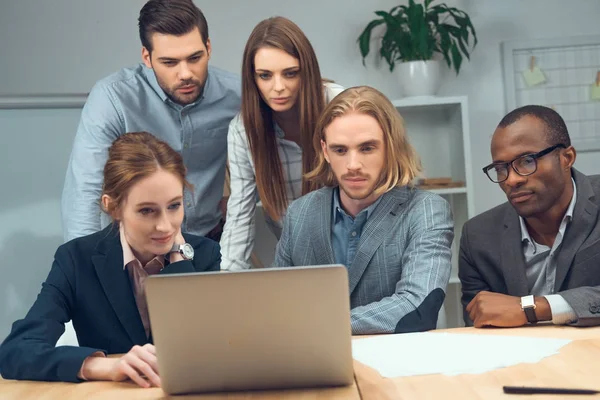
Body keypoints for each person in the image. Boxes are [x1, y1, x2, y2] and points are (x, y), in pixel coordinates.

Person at [0, 132, 220, 386]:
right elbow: (16, 351)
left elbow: (209, 348)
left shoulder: (205, 255)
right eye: (147, 210)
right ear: (113, 207)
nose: (164, 226)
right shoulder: (76, 259)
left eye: (174, 206)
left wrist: (180, 259)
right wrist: (100, 365)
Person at [273, 86, 454, 335]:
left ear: (391, 147)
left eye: (367, 148)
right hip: (314, 364)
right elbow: (277, 304)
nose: (353, 165)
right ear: (325, 151)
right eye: (340, 150)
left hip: (398, 364)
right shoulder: (300, 213)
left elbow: (418, 304)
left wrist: (323, 325)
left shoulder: (425, 210)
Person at [61, 0, 240, 243]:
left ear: (208, 48)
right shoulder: (113, 99)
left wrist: (241, 199)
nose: (186, 73)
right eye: (170, 62)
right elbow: (86, 193)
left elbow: (278, 152)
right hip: (137, 248)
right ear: (147, 56)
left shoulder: (236, 96)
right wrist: (88, 266)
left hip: (210, 242)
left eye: (195, 57)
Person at [220, 16, 344, 271]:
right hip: (295, 263)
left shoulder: (339, 104)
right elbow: (239, 217)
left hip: (355, 252)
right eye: (265, 76)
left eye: (290, 73)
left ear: (306, 71)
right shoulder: (243, 130)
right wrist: (226, 284)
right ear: (252, 78)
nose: (278, 87)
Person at [459, 105, 600, 328]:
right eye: (500, 168)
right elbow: (480, 321)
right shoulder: (477, 237)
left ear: (566, 158)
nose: (511, 180)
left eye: (526, 161)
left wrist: (533, 308)